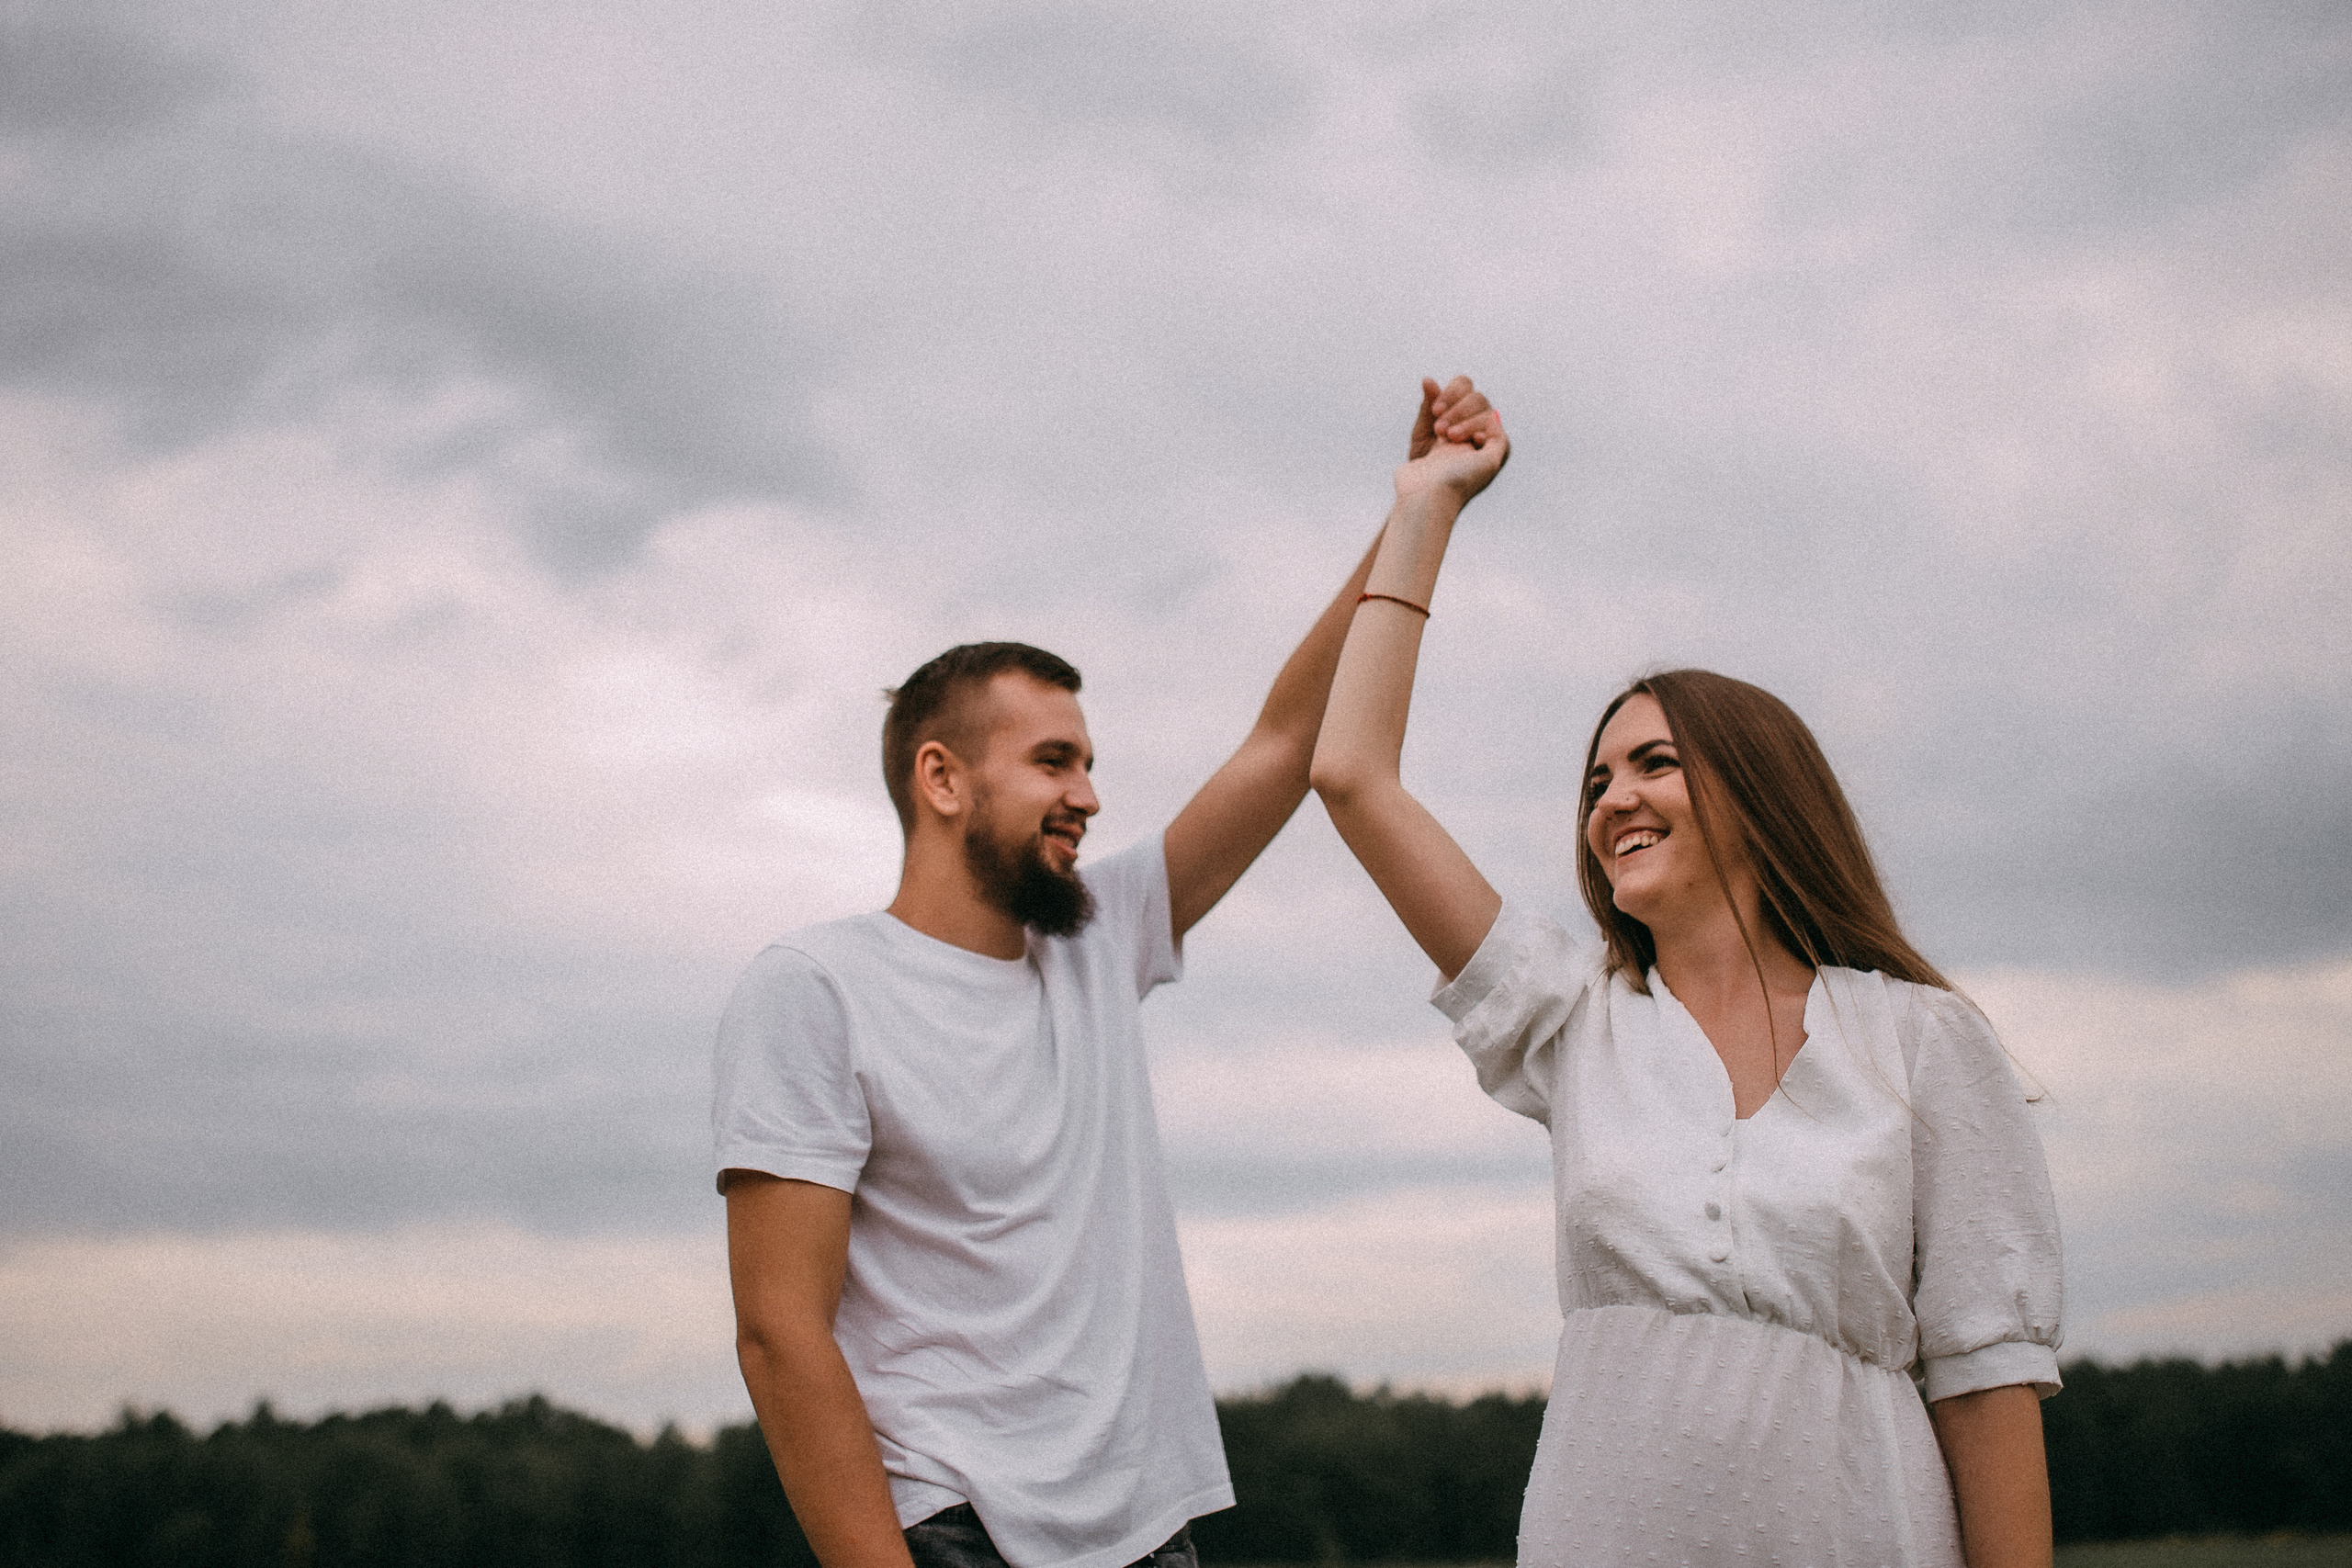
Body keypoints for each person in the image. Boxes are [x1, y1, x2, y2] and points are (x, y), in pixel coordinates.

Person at [710, 379, 1502, 1568]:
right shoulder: (815, 989)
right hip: (956, 1535)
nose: (1088, 793)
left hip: (1149, 1533)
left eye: (1090, 763)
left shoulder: (1097, 938)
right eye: (1053, 761)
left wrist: (1420, 510)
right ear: (942, 780)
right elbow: (781, 1331)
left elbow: (1288, 742)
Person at [1306, 383, 2064, 1568]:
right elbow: (1351, 773)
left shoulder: (1922, 1043)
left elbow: (1984, 1382)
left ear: (1760, 796)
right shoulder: (1570, 1026)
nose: (1614, 801)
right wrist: (1426, 508)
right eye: (1597, 782)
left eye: (1655, 763)